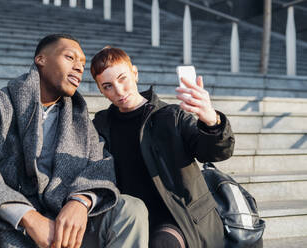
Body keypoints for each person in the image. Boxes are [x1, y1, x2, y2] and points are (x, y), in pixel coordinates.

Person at [0, 35, 149, 248]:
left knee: (130, 208)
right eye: (70, 57)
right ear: (41, 59)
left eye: (83, 64)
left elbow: (100, 166)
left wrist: (81, 201)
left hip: (67, 234)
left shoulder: (80, 121)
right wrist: (27, 215)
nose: (79, 68)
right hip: (4, 227)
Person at [91, 47, 235, 248]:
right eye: (107, 86)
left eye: (123, 78)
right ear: (100, 90)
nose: (119, 90)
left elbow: (215, 152)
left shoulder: (171, 116)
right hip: (128, 218)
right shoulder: (101, 125)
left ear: (135, 73)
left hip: (179, 218)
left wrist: (211, 119)